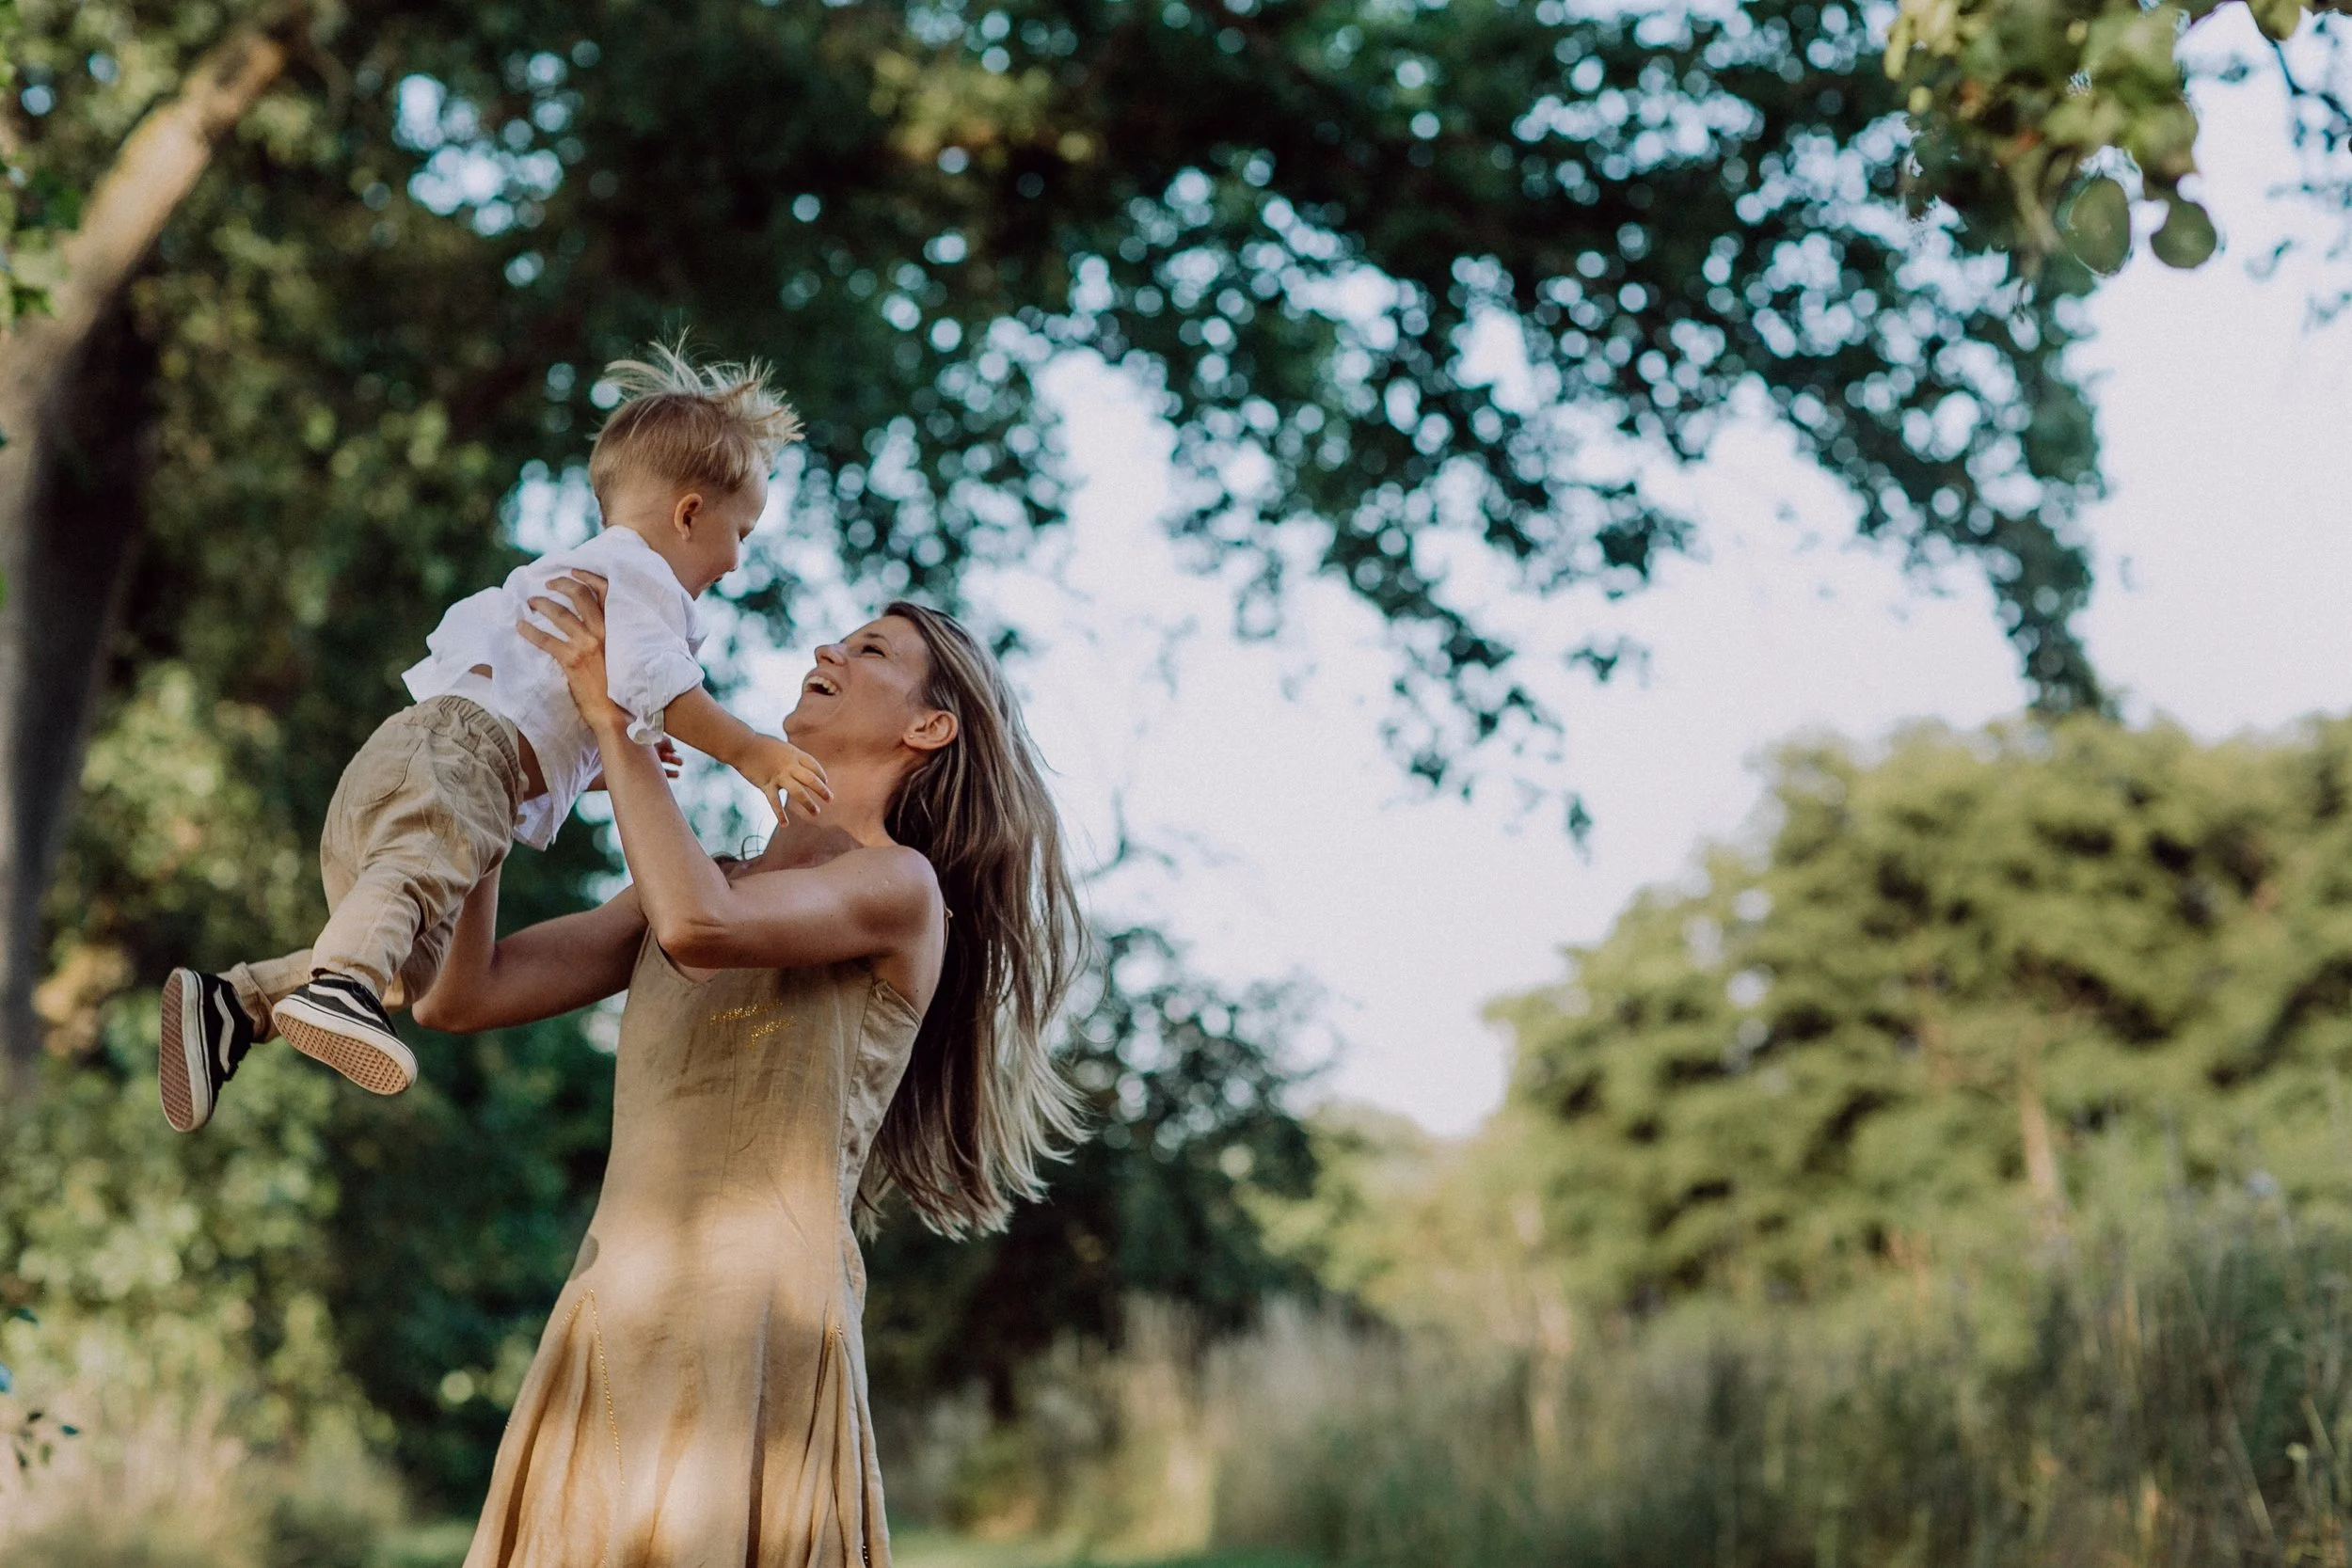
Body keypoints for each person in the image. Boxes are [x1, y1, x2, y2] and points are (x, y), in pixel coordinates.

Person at [412, 576, 1082, 1567]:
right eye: (839, 639)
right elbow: (457, 996)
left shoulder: (897, 886)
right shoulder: (705, 873)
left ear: (929, 729)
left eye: (870, 651)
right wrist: (506, 792)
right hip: (614, 1314)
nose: (828, 652)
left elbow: (698, 930)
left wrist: (616, 720)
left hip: (754, 1332)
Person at [157, 344, 831, 1132]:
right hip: (458, 765)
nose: (738, 558)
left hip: (429, 761)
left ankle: (234, 1004)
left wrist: (590, 770)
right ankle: (339, 983)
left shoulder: (586, 573)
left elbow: (548, 700)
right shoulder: (642, 576)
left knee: (418, 964)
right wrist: (750, 749)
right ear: (688, 512)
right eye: (741, 532)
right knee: (400, 908)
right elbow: (658, 680)